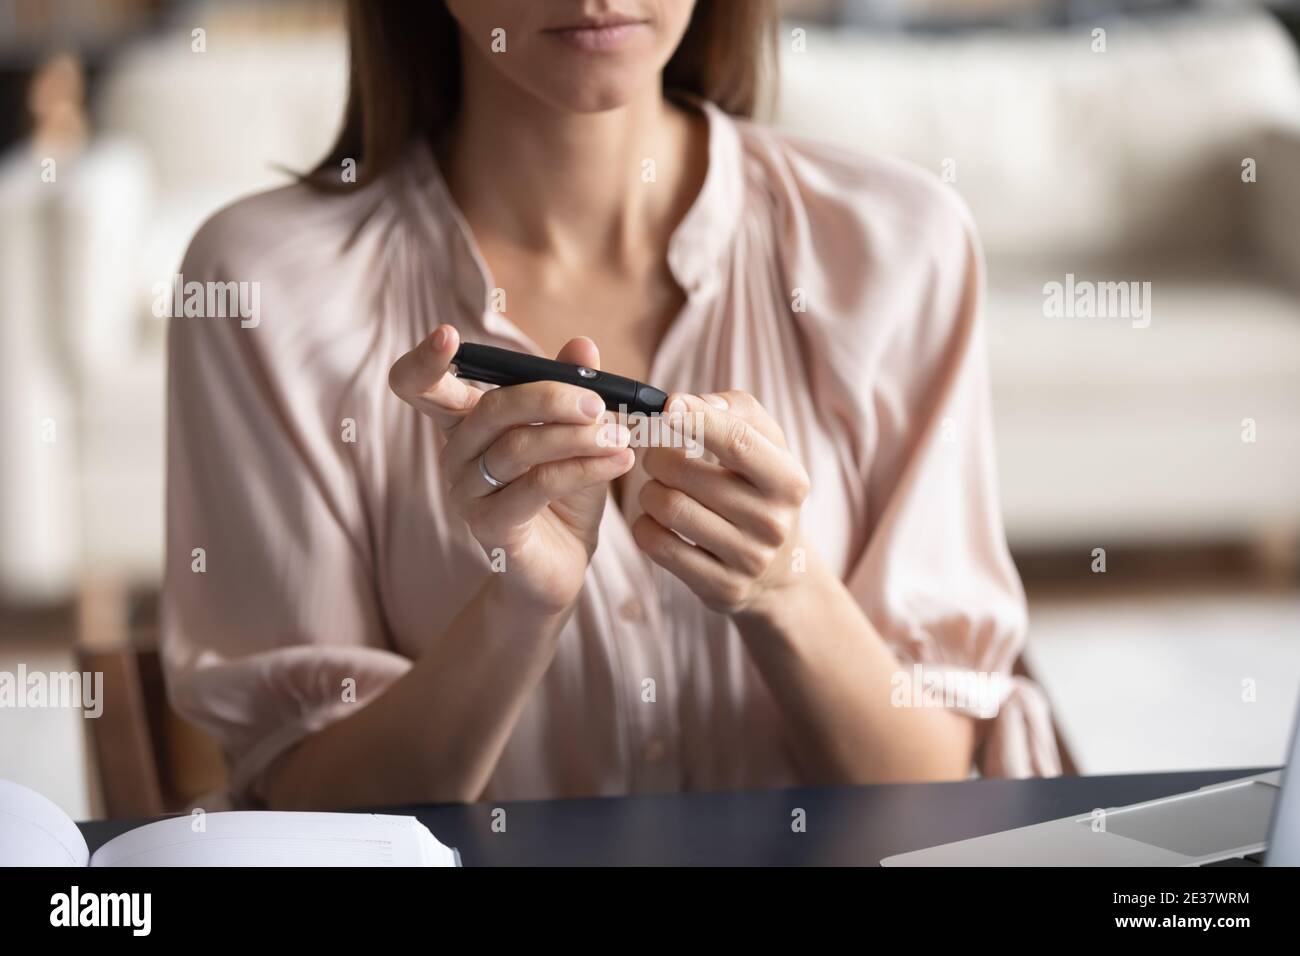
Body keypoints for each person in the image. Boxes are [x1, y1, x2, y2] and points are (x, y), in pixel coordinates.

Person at [163, 0, 1061, 810]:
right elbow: (311, 814)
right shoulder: (260, 287)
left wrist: (784, 587)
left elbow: (935, 792)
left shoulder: (901, 245)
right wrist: (519, 612)